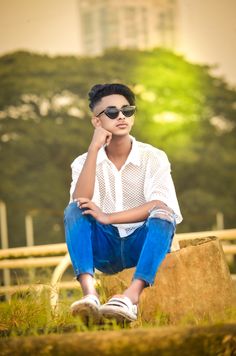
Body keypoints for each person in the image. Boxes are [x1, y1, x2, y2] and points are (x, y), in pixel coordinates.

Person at [64, 83, 182, 324]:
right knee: (74, 208)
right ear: (96, 121)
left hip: (141, 245)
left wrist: (109, 217)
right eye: (111, 112)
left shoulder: (154, 157)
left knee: (163, 213)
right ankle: (90, 296)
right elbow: (80, 202)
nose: (121, 116)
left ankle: (130, 297)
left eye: (127, 111)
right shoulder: (82, 162)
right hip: (104, 249)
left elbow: (161, 204)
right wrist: (94, 148)